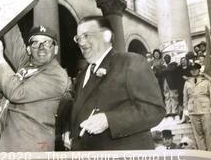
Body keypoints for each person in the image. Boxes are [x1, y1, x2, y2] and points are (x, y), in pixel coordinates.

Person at [67, 16, 165, 150]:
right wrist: (69, 131)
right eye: (78, 38)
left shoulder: (132, 62)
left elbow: (154, 110)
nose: (82, 43)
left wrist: (109, 120)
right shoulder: (82, 74)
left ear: (107, 36)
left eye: (87, 35)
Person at [0, 24, 70, 152]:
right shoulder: (26, 64)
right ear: (29, 49)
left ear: (56, 49)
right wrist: (5, 12)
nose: (41, 48)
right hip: (5, 141)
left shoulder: (57, 75)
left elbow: (17, 93)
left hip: (30, 148)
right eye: (35, 43)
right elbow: (13, 39)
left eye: (47, 43)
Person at [183, 62, 211, 151]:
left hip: (205, 109)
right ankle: (203, 152)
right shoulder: (187, 83)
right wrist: (185, 109)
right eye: (192, 70)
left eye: (195, 69)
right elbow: (185, 97)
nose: (194, 71)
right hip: (193, 110)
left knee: (208, 133)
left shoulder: (206, 81)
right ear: (190, 71)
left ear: (199, 70)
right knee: (198, 134)